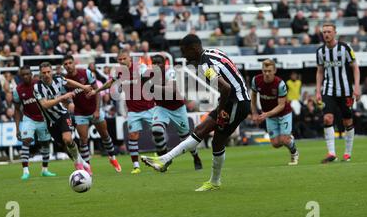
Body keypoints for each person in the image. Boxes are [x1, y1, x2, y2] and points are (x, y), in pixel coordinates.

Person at [141, 34, 251, 191]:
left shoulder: (205, 66)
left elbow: (226, 88)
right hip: (235, 101)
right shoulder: (213, 52)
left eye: (184, 51)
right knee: (210, 137)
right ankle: (211, 180)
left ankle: (166, 160)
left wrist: (221, 110)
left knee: (210, 136)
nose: (184, 56)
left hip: (236, 103)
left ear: (193, 48)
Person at [89, 49, 156, 174]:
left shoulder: (140, 67)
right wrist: (96, 91)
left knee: (157, 132)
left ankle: (160, 156)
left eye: (124, 59)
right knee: (132, 136)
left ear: (129, 58)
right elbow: (110, 83)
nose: (121, 61)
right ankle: (136, 166)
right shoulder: (119, 72)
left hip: (149, 107)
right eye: (119, 60)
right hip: (133, 110)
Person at [62, 55, 121, 173]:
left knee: (105, 135)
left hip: (94, 109)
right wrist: (69, 103)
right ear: (64, 66)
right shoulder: (64, 81)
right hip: (80, 114)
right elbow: (64, 99)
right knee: (83, 140)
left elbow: (97, 91)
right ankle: (87, 168)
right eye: (66, 64)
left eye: (70, 63)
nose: (68, 65)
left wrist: (97, 110)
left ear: (74, 63)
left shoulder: (85, 73)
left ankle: (112, 158)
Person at [33, 62, 93, 174]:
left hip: (62, 114)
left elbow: (68, 82)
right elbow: (45, 104)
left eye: (48, 72)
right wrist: (62, 97)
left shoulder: (58, 79)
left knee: (68, 139)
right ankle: (83, 163)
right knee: (65, 146)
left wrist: (83, 86)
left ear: (52, 71)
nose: (46, 74)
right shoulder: (38, 87)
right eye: (44, 73)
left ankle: (78, 164)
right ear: (40, 74)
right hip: (50, 121)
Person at [316, 23, 361, 163]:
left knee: (347, 121)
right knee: (327, 118)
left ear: (335, 32)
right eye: (324, 32)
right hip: (328, 90)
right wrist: (318, 91)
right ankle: (331, 153)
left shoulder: (345, 48)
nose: (326, 34)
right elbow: (320, 71)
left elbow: (355, 67)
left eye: (329, 31)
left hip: (346, 91)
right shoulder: (320, 52)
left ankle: (347, 153)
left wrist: (357, 87)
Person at [150, 54, 202, 171]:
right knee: (156, 130)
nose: (157, 65)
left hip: (177, 108)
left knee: (185, 137)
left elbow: (172, 89)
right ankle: (164, 160)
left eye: (159, 63)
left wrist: (155, 88)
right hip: (162, 107)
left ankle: (196, 157)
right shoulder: (149, 75)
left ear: (164, 64)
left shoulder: (170, 72)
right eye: (154, 63)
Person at [250, 59, 299, 165]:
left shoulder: (280, 84)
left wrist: (266, 114)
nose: (267, 73)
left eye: (269, 71)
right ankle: (288, 138)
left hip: (283, 113)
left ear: (274, 71)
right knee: (275, 144)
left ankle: (294, 152)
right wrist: (254, 113)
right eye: (264, 71)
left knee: (284, 140)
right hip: (270, 116)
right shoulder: (256, 80)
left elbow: (281, 105)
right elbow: (253, 96)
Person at [13, 66, 57, 180]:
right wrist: (17, 128)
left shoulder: (39, 84)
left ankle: (45, 170)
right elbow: (17, 110)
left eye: (27, 74)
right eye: (23, 75)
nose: (26, 76)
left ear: (31, 74)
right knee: (26, 140)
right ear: (20, 76)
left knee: (45, 143)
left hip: (43, 118)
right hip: (29, 118)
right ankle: (25, 171)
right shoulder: (17, 90)